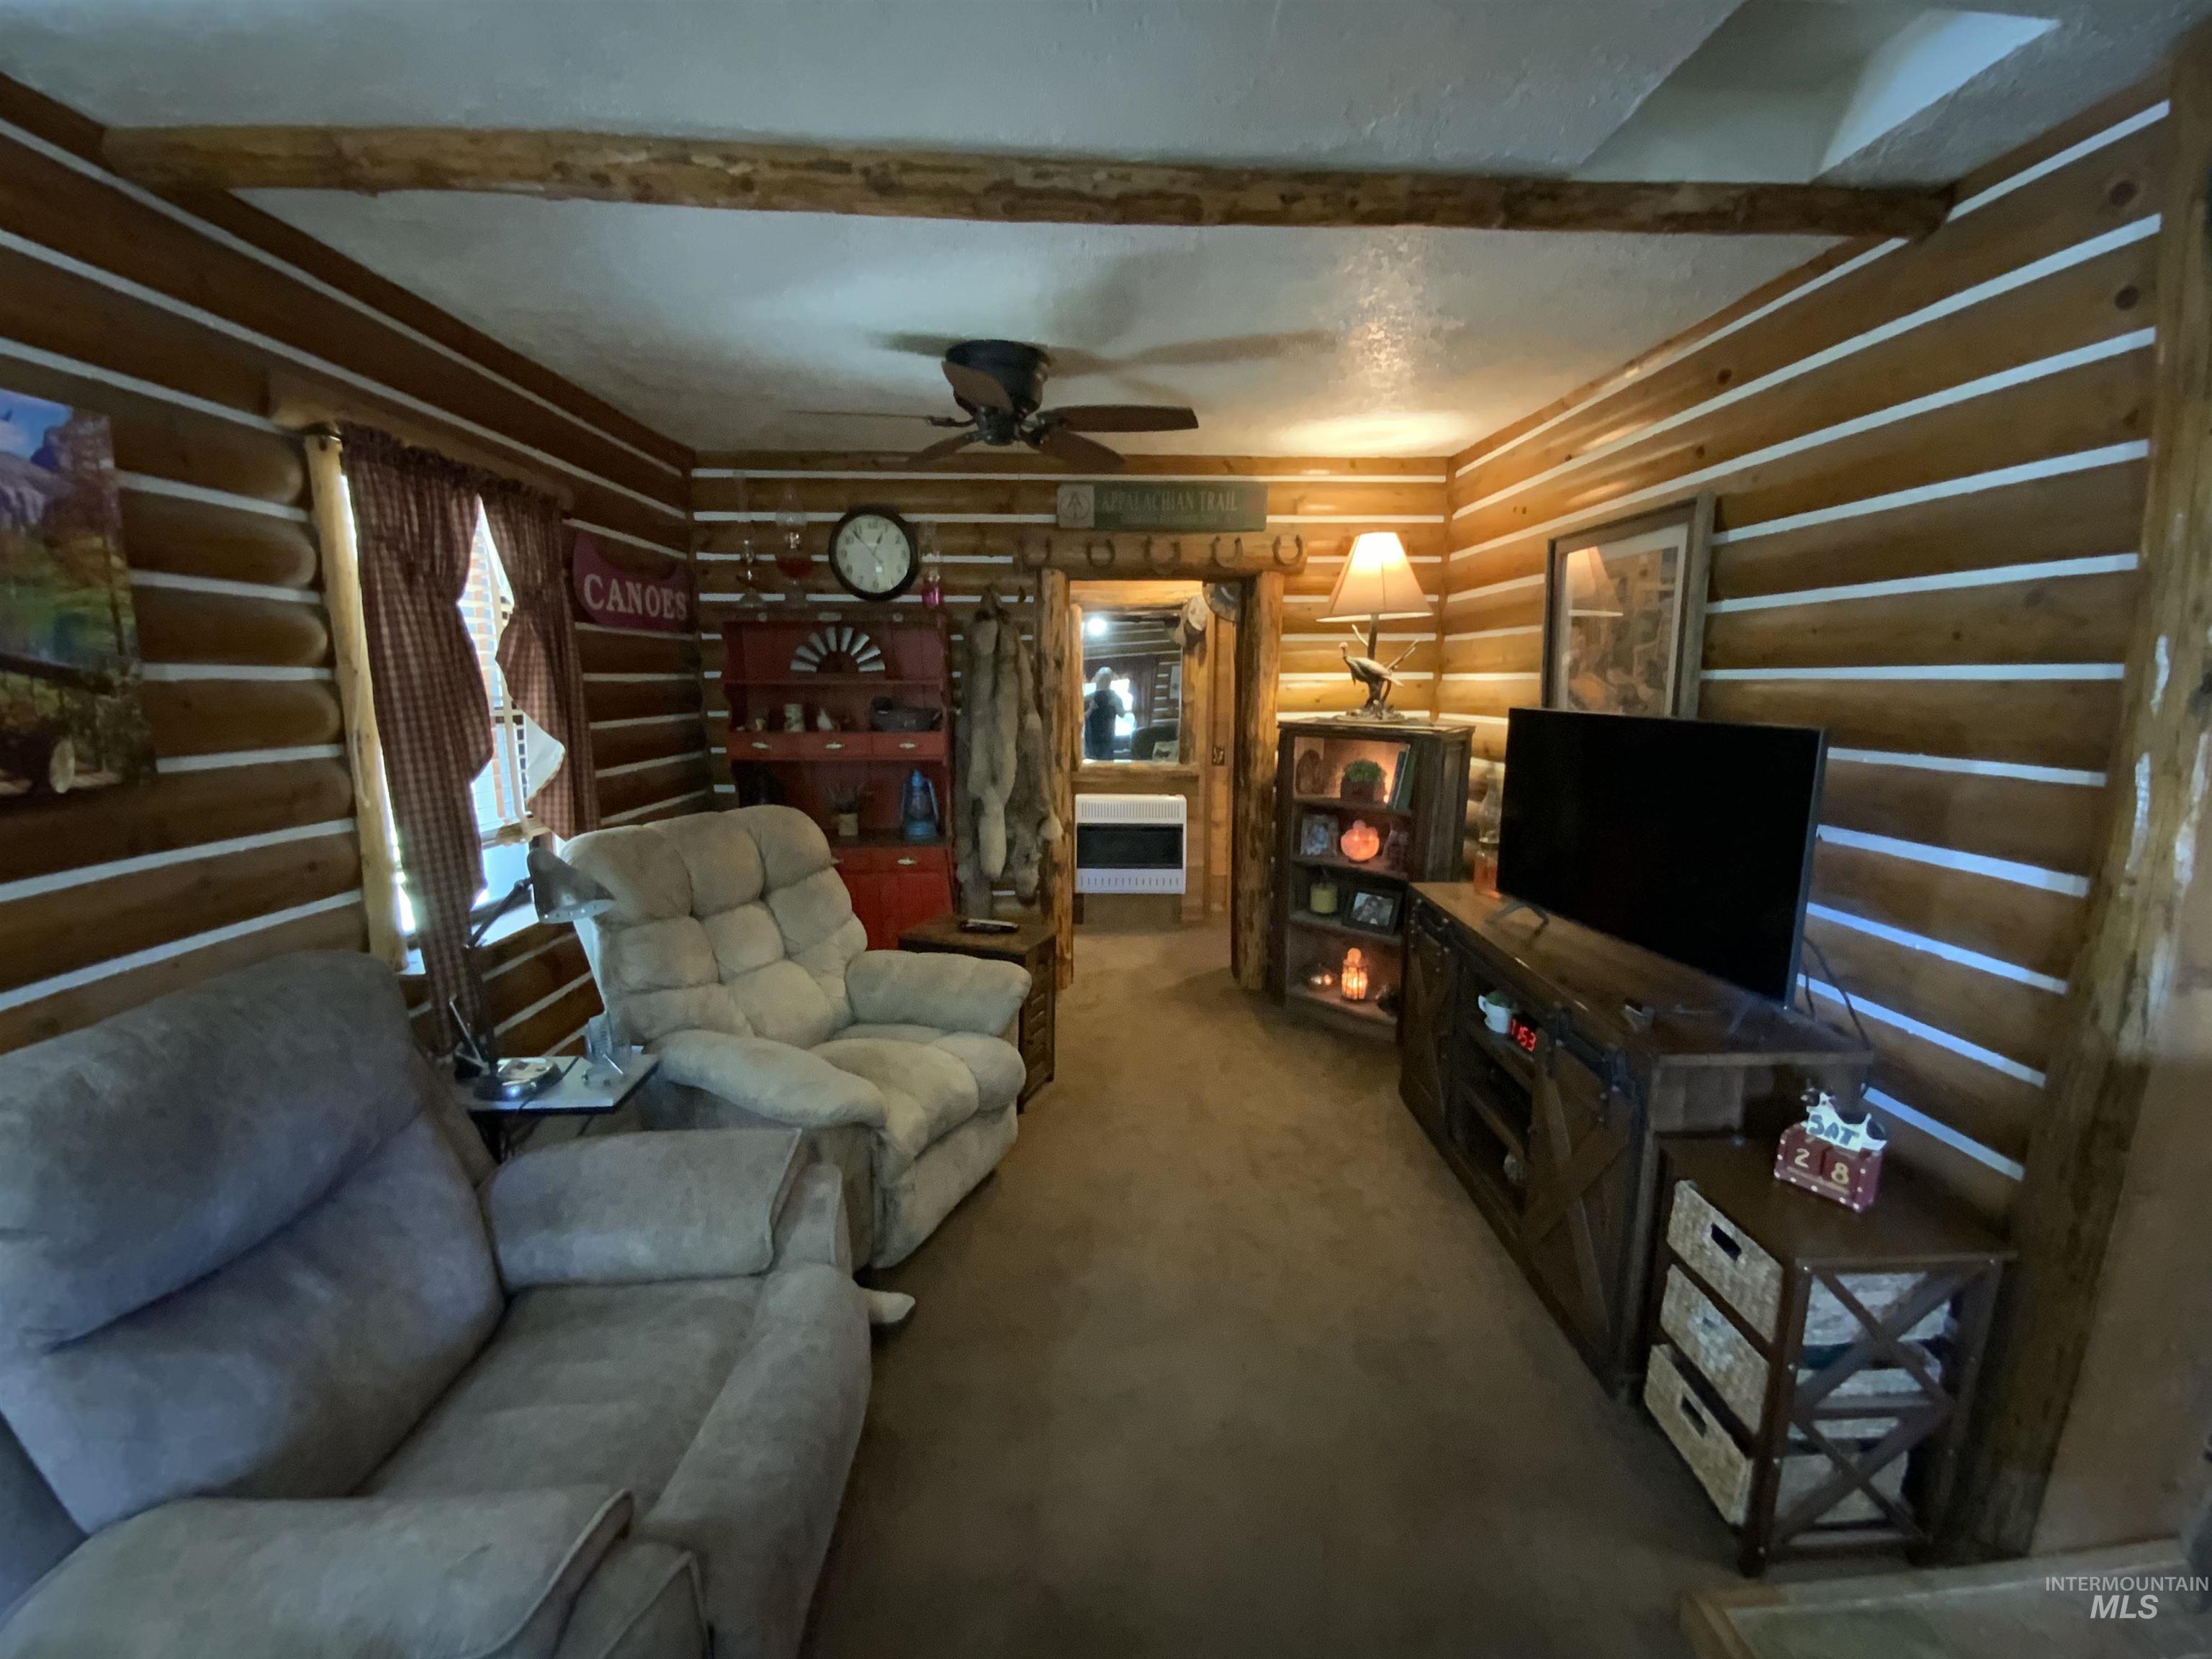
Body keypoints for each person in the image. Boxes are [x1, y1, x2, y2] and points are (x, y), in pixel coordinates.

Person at [1083, 667, 1125, 760]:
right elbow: (1080, 718)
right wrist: (1090, 709)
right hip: (1091, 739)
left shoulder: (1115, 698)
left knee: (1107, 764)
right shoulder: (1088, 698)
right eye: (1102, 679)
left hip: (1108, 739)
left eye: (1107, 679)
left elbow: (1122, 714)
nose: (1104, 681)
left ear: (1110, 680)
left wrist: (1116, 705)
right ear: (1096, 679)